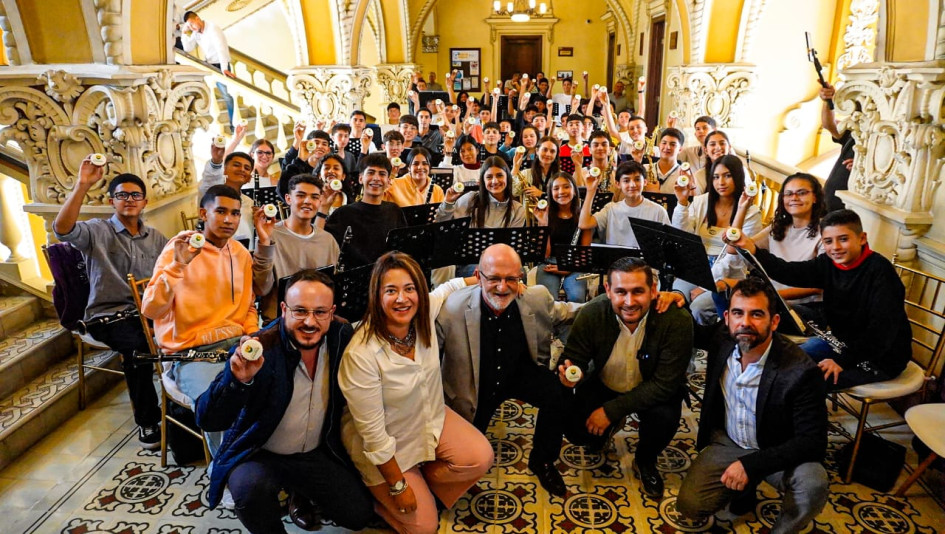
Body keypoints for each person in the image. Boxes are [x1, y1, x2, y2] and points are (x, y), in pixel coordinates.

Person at [195, 270, 374, 533]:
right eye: (300, 311)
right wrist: (236, 380)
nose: (310, 322)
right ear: (283, 309)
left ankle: (299, 493)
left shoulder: (340, 335)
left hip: (314, 452)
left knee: (358, 516)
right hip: (261, 453)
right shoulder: (260, 348)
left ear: (332, 312)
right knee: (249, 490)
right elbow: (207, 419)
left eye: (320, 312)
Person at [339, 253, 493, 533]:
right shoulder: (361, 353)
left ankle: (420, 481)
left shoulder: (421, 316)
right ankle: (370, 498)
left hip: (428, 415)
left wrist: (488, 281)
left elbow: (446, 289)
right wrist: (399, 487)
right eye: (391, 290)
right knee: (424, 527)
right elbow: (373, 436)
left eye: (410, 288)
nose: (402, 299)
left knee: (480, 457)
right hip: (385, 443)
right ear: (376, 295)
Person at [676, 278, 828, 533]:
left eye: (756, 314)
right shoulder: (722, 339)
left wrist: (752, 465)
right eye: (738, 313)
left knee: (813, 483)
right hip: (731, 441)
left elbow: (812, 441)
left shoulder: (801, 370)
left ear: (775, 321)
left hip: (777, 447)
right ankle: (745, 490)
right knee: (690, 506)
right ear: (727, 318)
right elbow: (688, 330)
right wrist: (674, 300)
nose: (745, 322)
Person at [437, 244, 582, 497]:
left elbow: (568, 312)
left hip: (519, 374)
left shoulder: (535, 297)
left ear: (520, 278)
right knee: (469, 456)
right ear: (479, 276)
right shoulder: (452, 308)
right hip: (476, 385)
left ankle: (543, 461)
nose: (502, 287)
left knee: (558, 391)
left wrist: (615, 302)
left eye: (511, 279)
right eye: (493, 278)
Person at [53, 158, 166, 449]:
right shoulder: (96, 231)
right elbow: (62, 230)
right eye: (122, 195)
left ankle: (182, 403)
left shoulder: (156, 238)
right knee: (139, 349)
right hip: (110, 315)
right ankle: (148, 420)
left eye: (135, 195)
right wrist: (82, 185)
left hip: (148, 311)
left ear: (145, 201)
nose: (129, 200)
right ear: (111, 201)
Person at [729, 209, 912, 389]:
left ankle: (801, 417)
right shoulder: (828, 263)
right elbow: (789, 271)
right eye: (828, 241)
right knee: (781, 364)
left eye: (843, 239)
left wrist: (842, 361)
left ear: (862, 238)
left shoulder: (881, 273)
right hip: (841, 343)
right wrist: (752, 249)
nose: (836, 248)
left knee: (802, 381)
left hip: (879, 357)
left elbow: (881, 334)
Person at [557, 257, 693, 499]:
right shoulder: (591, 314)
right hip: (605, 383)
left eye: (638, 292)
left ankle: (645, 460)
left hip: (653, 390)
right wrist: (570, 375)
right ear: (608, 290)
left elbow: (664, 385)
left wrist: (610, 411)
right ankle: (605, 432)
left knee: (664, 418)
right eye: (621, 292)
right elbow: (573, 358)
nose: (629, 302)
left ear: (653, 290)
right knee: (575, 427)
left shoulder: (676, 320)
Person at [142, 185, 259, 454]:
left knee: (276, 385)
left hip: (235, 344)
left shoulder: (240, 254)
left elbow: (249, 306)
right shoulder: (179, 248)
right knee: (220, 403)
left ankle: (260, 462)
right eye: (220, 211)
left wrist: (252, 334)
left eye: (234, 213)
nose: (229, 219)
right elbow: (151, 310)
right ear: (203, 214)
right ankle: (225, 475)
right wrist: (178, 266)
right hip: (190, 354)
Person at [712, 173, 826, 325]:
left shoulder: (825, 232)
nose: (794, 198)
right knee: (720, 289)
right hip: (769, 298)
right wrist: (742, 208)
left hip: (803, 306)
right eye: (788, 194)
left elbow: (817, 288)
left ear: (815, 198)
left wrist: (768, 296)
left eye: (802, 193)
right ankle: (732, 338)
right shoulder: (778, 227)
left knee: (752, 311)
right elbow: (734, 250)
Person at [672, 154, 762, 315]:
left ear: (738, 176)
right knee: (673, 297)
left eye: (727, 176)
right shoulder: (701, 201)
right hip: (696, 269)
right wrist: (682, 202)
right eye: (716, 177)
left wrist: (705, 286)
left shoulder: (751, 212)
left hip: (727, 276)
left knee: (698, 307)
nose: (720, 182)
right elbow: (681, 237)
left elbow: (739, 260)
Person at [252, 174, 340, 321]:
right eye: (301, 195)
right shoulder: (270, 235)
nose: (307, 201)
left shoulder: (327, 240)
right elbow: (262, 288)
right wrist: (264, 243)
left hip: (318, 319)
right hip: (280, 321)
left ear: (319, 201)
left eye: (314, 197)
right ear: (288, 199)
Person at [319, 153, 407, 270]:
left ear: (388, 181)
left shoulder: (394, 210)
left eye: (382, 174)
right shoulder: (343, 213)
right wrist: (323, 209)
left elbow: (403, 250)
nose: (376, 178)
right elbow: (320, 246)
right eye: (370, 173)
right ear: (360, 178)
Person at [578, 161, 670, 248]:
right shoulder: (610, 208)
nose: (632, 185)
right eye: (626, 181)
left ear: (645, 182)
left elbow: (669, 242)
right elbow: (584, 224)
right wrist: (590, 191)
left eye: (637, 179)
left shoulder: (658, 211)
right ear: (618, 184)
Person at [533, 172, 593, 303]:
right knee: (547, 300)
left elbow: (585, 253)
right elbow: (545, 254)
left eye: (566, 187)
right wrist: (543, 224)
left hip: (575, 265)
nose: (561, 191)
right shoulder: (546, 214)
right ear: (550, 193)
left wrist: (567, 269)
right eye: (556, 188)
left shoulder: (584, 217)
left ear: (575, 191)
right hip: (549, 264)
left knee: (576, 298)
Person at [181, 11, 235, 127]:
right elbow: (187, 48)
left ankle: (233, 125)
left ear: (197, 18)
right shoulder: (196, 33)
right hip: (209, 64)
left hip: (220, 65)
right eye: (189, 26)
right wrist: (184, 33)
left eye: (192, 24)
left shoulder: (213, 29)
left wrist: (224, 68)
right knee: (202, 89)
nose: (191, 27)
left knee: (227, 96)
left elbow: (221, 49)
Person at [198, 143, 255, 246]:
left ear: (249, 178)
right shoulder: (212, 193)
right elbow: (210, 178)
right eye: (236, 165)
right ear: (224, 170)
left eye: (246, 168)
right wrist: (216, 161)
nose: (242, 169)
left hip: (243, 255)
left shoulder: (250, 202)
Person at [819, 83, 856, 212]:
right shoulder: (855, 130)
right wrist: (828, 102)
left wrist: (864, 167)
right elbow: (830, 125)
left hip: (849, 207)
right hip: (828, 200)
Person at [645, 127, 686, 194]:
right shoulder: (645, 169)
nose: (667, 147)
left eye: (673, 144)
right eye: (664, 143)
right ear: (659, 145)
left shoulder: (684, 175)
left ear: (680, 149)